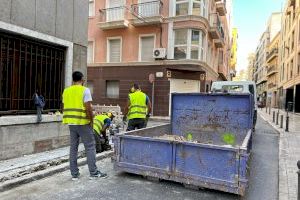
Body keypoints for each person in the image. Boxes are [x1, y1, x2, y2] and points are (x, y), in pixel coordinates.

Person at [62, 71, 107, 180]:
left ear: (73, 80)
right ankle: (94, 173)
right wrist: (91, 120)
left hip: (71, 123)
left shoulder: (66, 91)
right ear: (82, 80)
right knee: (90, 147)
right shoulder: (85, 90)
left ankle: (74, 174)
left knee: (73, 148)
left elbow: (64, 106)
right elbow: (88, 108)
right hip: (82, 123)